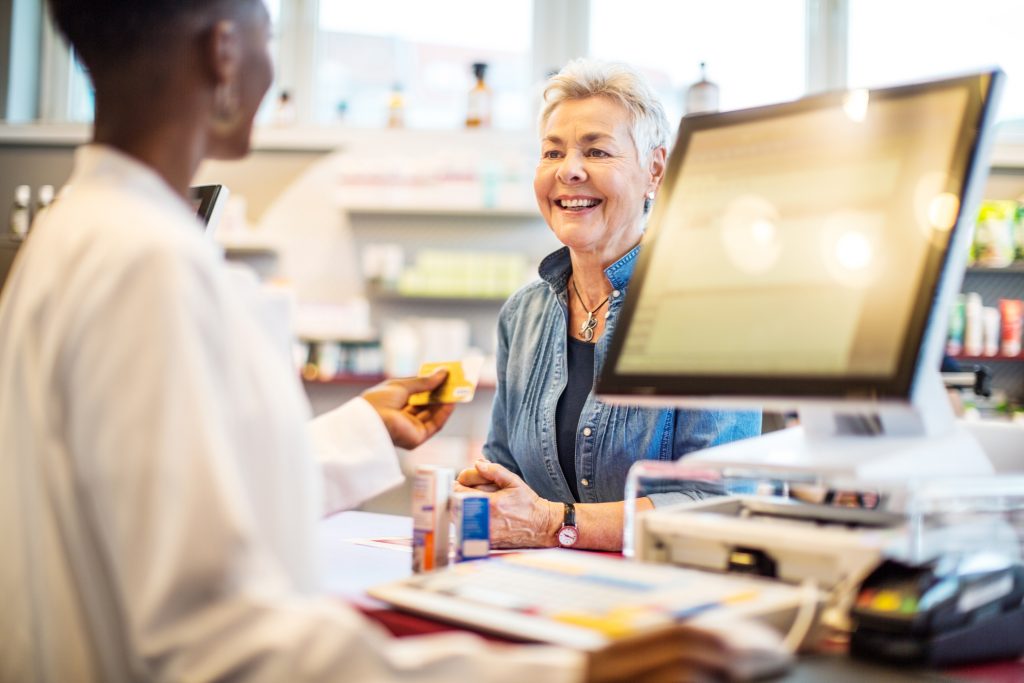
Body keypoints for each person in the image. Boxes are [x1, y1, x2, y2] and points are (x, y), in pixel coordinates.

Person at [0, 2, 736, 681]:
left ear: (654, 167)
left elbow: (194, 501)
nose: (274, 61)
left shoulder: (74, 238)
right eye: (267, 28)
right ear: (224, 51)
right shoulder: (147, 264)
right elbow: (211, 634)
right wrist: (560, 672)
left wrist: (368, 431)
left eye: (597, 150)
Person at [456, 59, 761, 551]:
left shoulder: (708, 313)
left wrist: (555, 524)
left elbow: (720, 501)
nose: (569, 170)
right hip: (541, 592)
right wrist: (481, 497)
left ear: (654, 170)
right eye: (552, 153)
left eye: (596, 151)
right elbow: (502, 469)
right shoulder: (524, 314)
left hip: (666, 598)